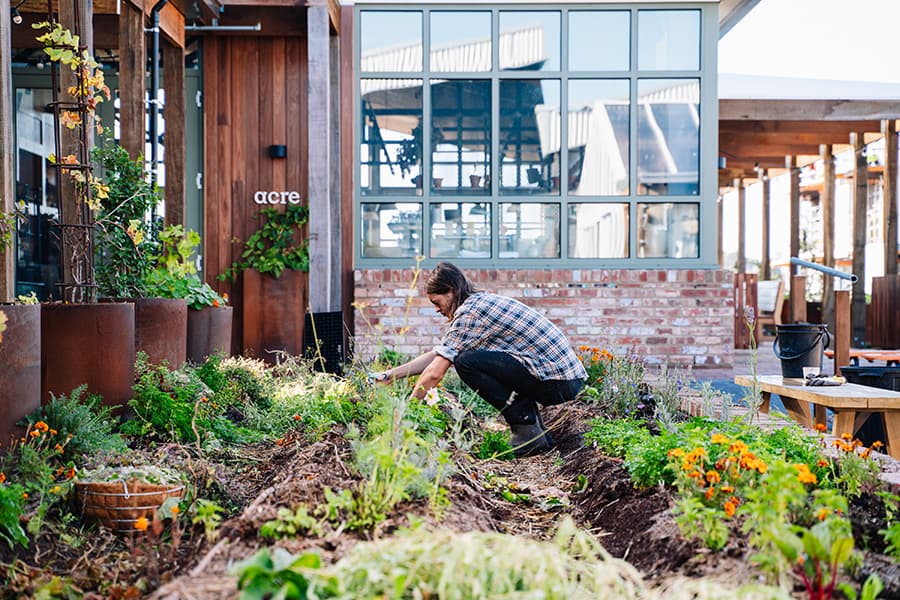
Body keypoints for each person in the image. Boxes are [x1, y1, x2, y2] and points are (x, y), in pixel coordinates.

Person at [369, 262, 586, 457]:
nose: (436, 309)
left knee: (466, 362)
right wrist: (390, 376)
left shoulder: (469, 314)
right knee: (466, 358)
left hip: (558, 381)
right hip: (561, 378)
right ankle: (534, 432)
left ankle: (527, 430)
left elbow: (435, 372)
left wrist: (407, 412)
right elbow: (440, 353)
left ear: (451, 292)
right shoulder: (477, 304)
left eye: (437, 302)